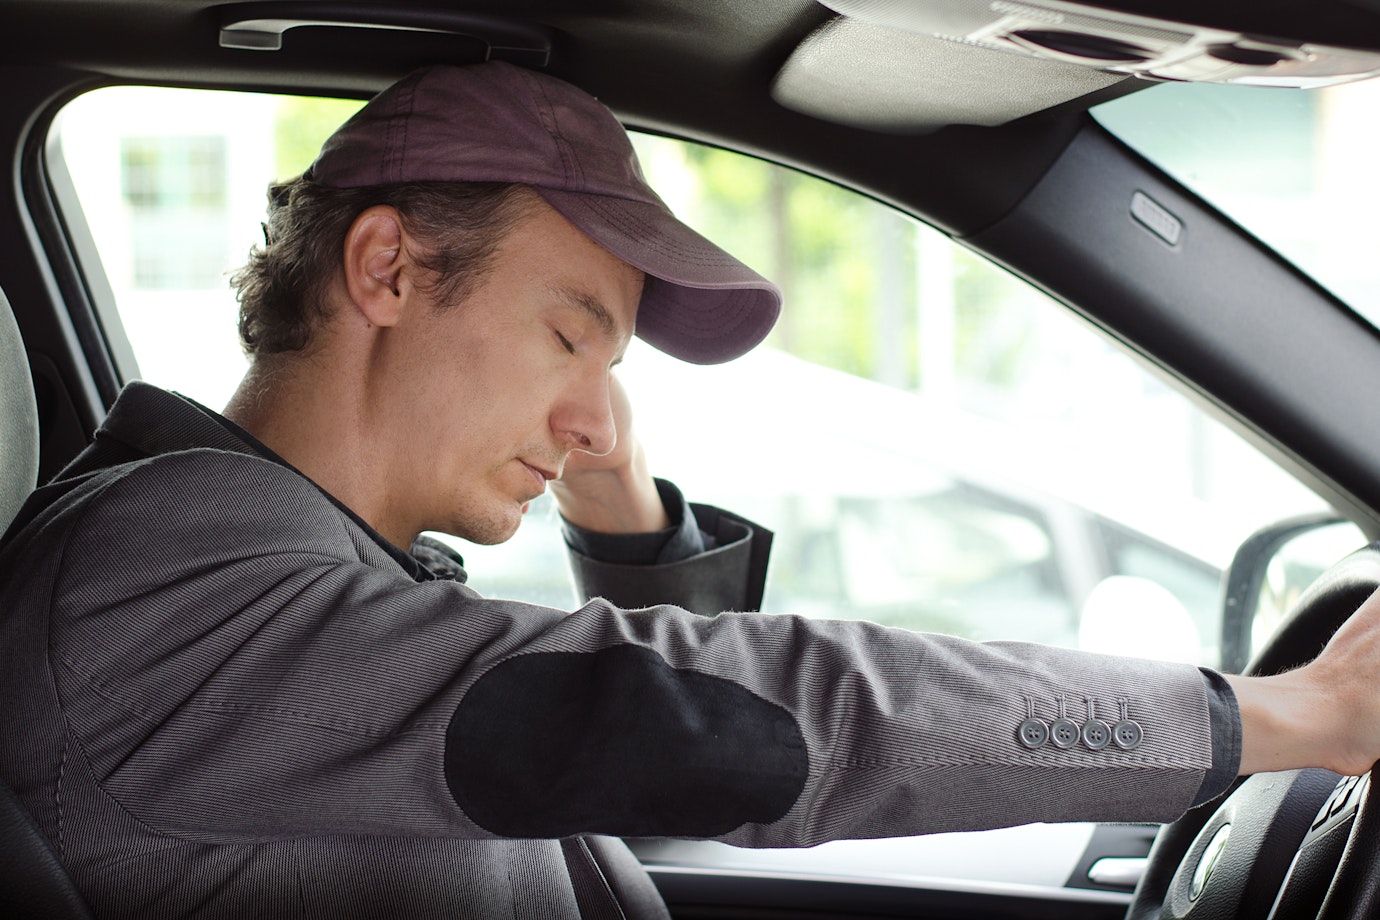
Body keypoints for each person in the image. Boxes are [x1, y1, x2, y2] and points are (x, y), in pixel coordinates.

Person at [2, 60, 1379, 919]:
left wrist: (611, 482)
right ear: (389, 269)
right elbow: (709, 721)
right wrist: (1281, 714)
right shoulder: (164, 585)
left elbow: (611, 769)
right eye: (570, 328)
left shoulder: (300, 567)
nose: (600, 409)